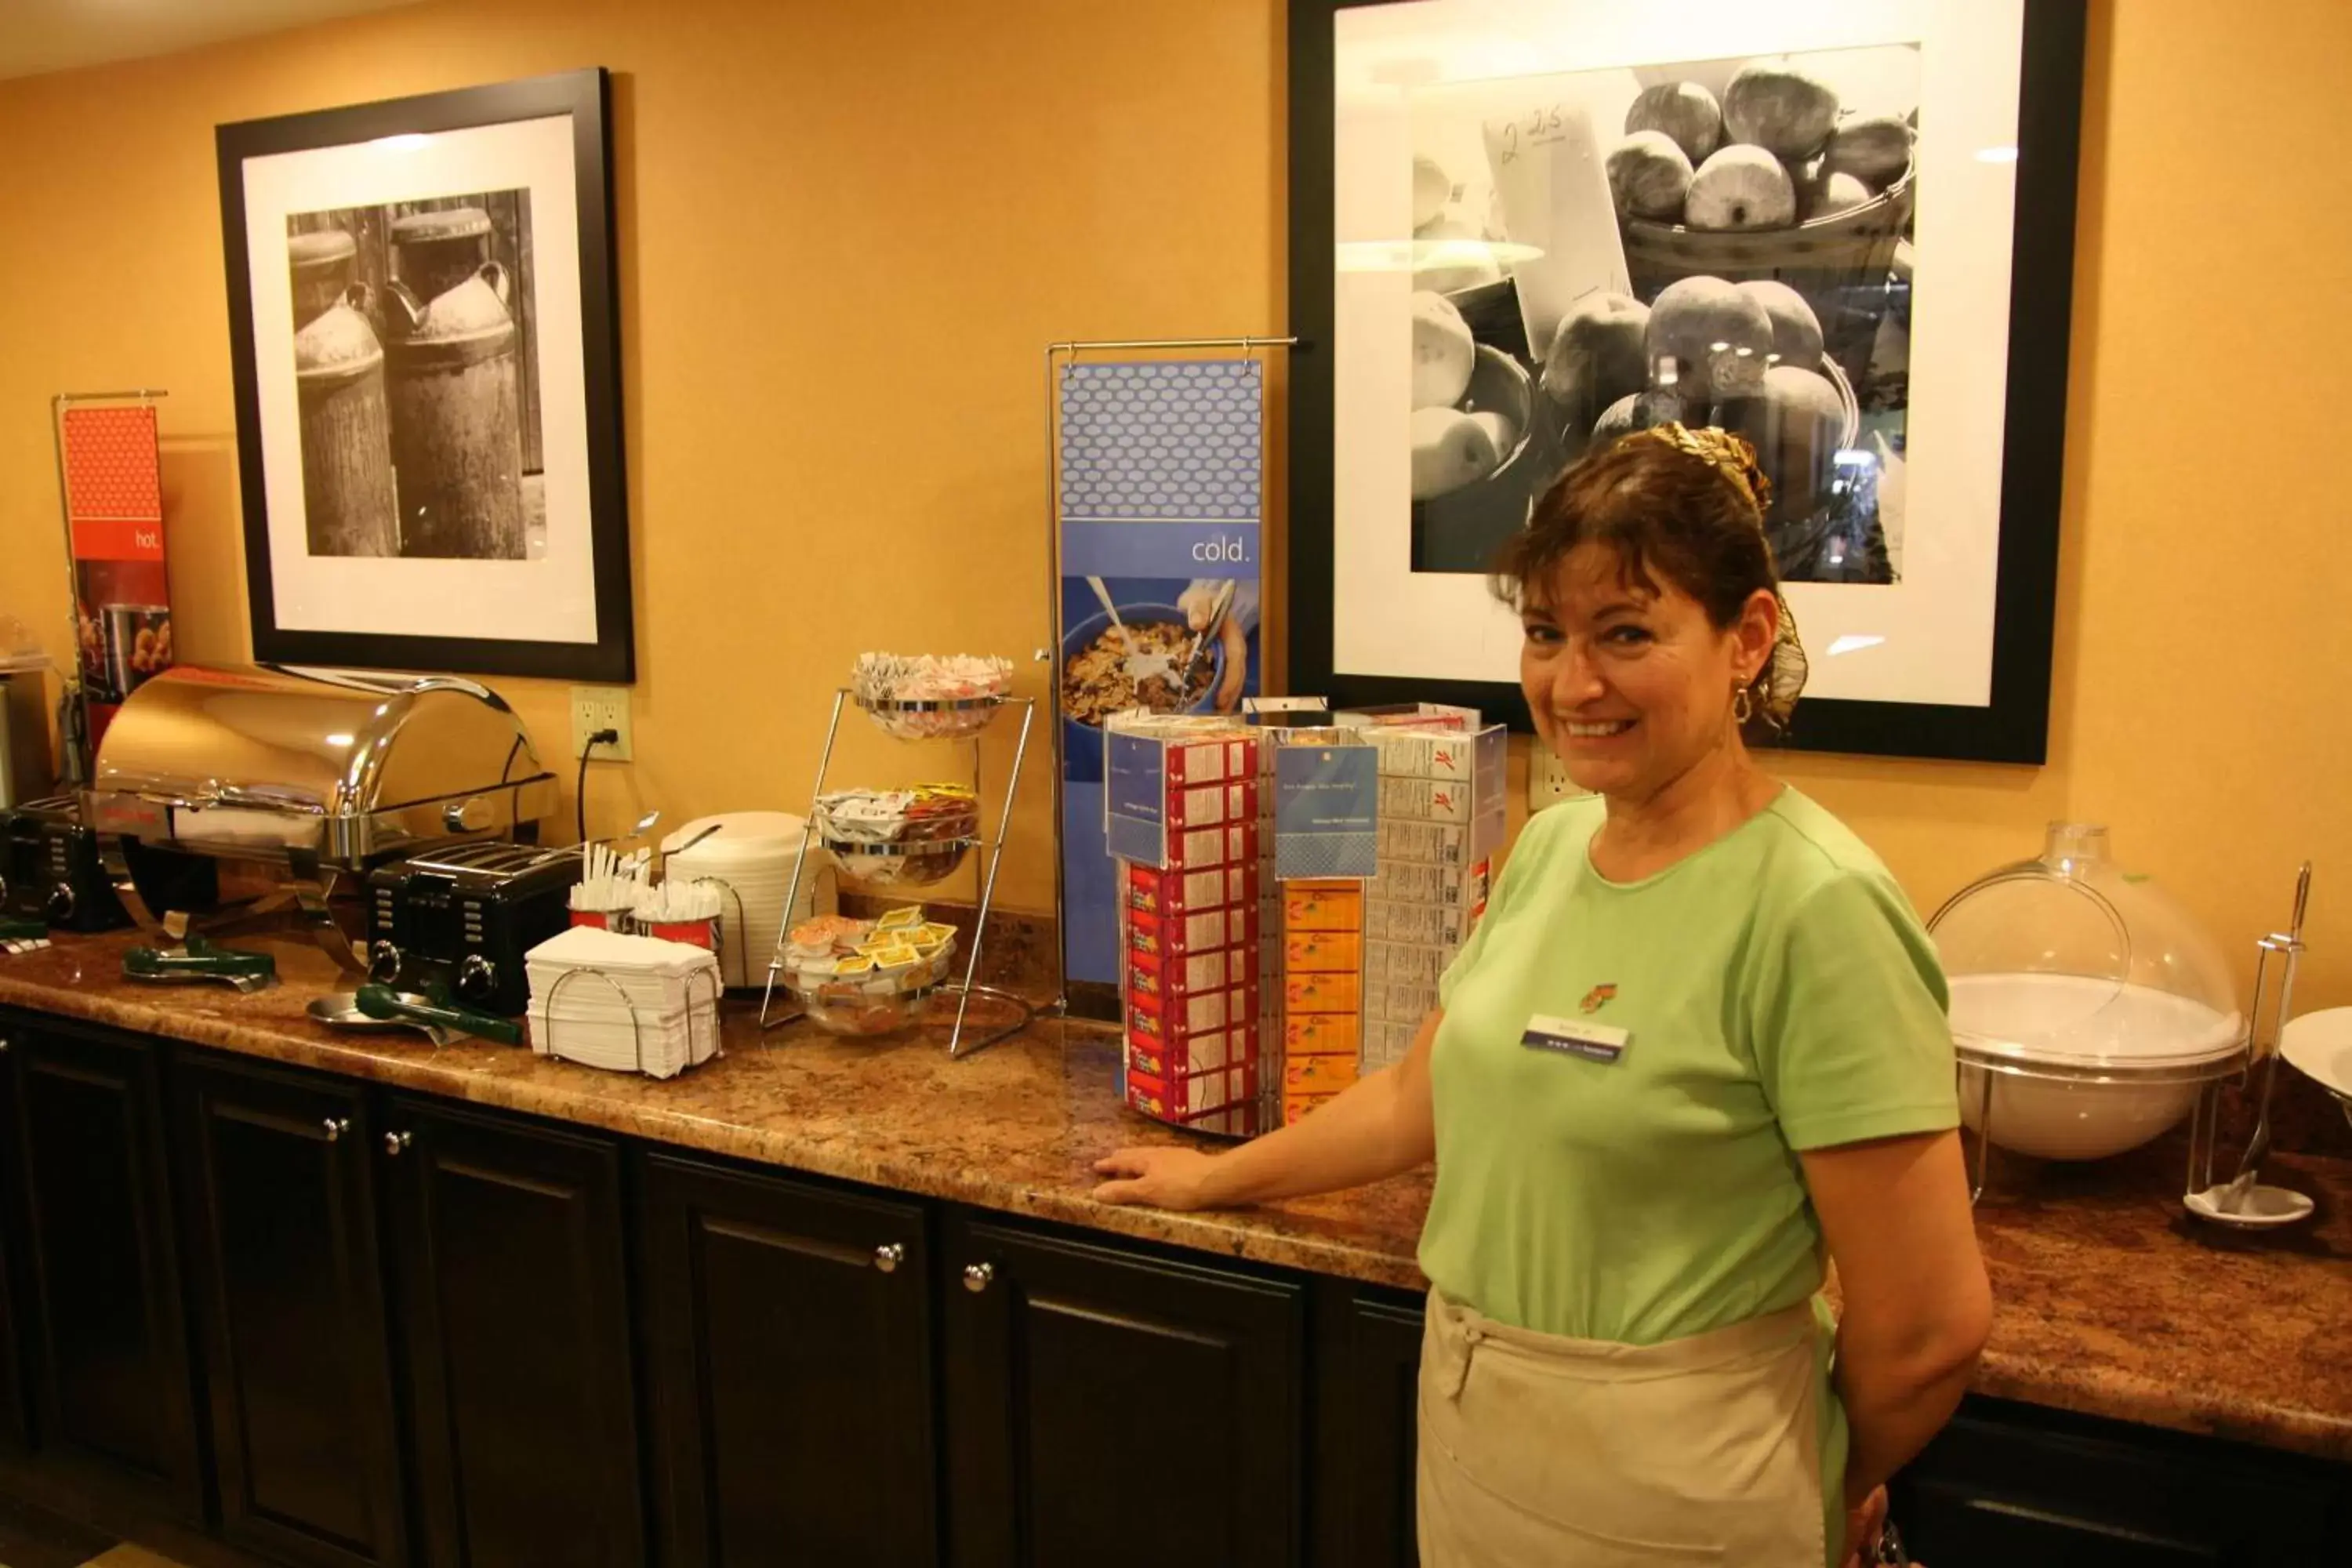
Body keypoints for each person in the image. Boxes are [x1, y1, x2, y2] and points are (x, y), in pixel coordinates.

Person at [1094, 425, 1989, 1567]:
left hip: (1688, 1494)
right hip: (1478, 1442)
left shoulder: (1818, 910)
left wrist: (1827, 1474)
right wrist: (1216, 1178)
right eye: (1545, 634)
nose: (1575, 684)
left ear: (1746, 638)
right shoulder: (1555, 846)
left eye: (1627, 634)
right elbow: (1426, 1091)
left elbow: (1928, 1328)